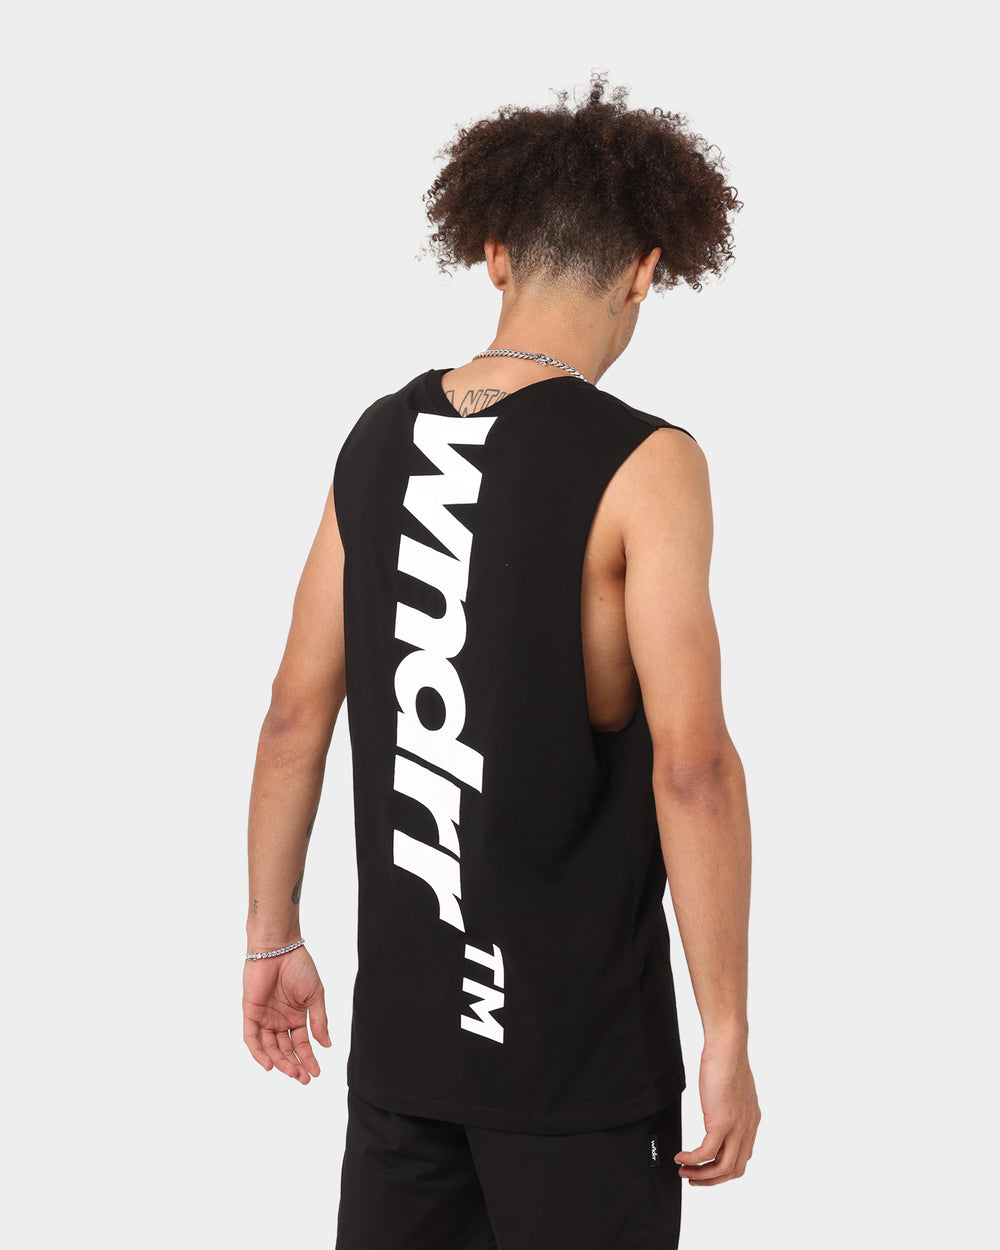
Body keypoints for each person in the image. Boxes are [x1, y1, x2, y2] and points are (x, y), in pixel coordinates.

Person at [242, 71, 760, 1250]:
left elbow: (290, 717)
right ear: (645, 269)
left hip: (407, 1065)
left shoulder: (380, 436)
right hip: (581, 1074)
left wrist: (272, 932)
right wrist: (724, 1028)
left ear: (491, 254)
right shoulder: (648, 464)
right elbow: (693, 769)